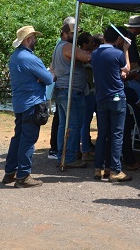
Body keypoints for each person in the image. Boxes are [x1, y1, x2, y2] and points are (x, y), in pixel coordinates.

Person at [3, 25, 54, 188]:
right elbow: (48, 78)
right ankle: (23, 175)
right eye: (34, 38)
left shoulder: (15, 57)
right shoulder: (30, 59)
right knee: (28, 140)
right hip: (32, 103)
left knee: (18, 138)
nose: (35, 41)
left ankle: (10, 172)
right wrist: (42, 77)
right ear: (28, 39)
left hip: (20, 103)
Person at [91, 25, 132, 182]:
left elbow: (110, 71)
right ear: (118, 38)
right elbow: (127, 69)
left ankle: (98, 168)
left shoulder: (95, 54)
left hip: (101, 97)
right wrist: (126, 50)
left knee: (102, 133)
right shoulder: (118, 53)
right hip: (116, 97)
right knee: (116, 134)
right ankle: (115, 170)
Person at [50, 17, 91, 170]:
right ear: (65, 33)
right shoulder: (68, 46)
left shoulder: (59, 46)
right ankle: (70, 158)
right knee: (73, 125)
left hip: (64, 89)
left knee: (64, 125)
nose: (75, 36)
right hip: (70, 91)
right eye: (73, 33)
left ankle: (63, 155)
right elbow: (87, 57)